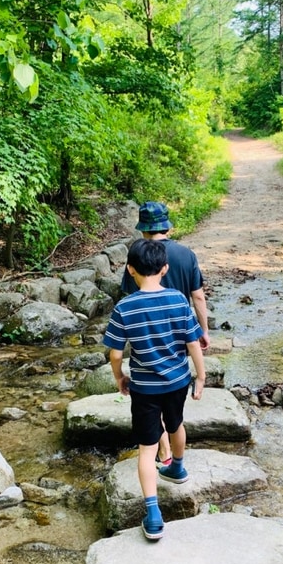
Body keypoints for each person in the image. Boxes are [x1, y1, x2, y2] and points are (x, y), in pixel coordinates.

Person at [105, 239, 206, 541]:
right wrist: (200, 377)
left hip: (145, 388)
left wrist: (119, 377)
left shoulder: (125, 307)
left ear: (130, 269)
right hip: (177, 382)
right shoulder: (178, 300)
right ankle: (177, 467)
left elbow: (115, 352)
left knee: (147, 449)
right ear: (164, 268)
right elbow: (192, 343)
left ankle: (152, 514)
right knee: (176, 424)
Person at [121, 200, 210, 468]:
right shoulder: (185, 254)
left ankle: (163, 450)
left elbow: (130, 295)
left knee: (150, 392)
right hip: (179, 331)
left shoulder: (135, 255)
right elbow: (198, 296)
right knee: (172, 393)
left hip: (147, 335)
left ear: (143, 228)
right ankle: (174, 453)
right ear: (167, 226)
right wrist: (203, 330)